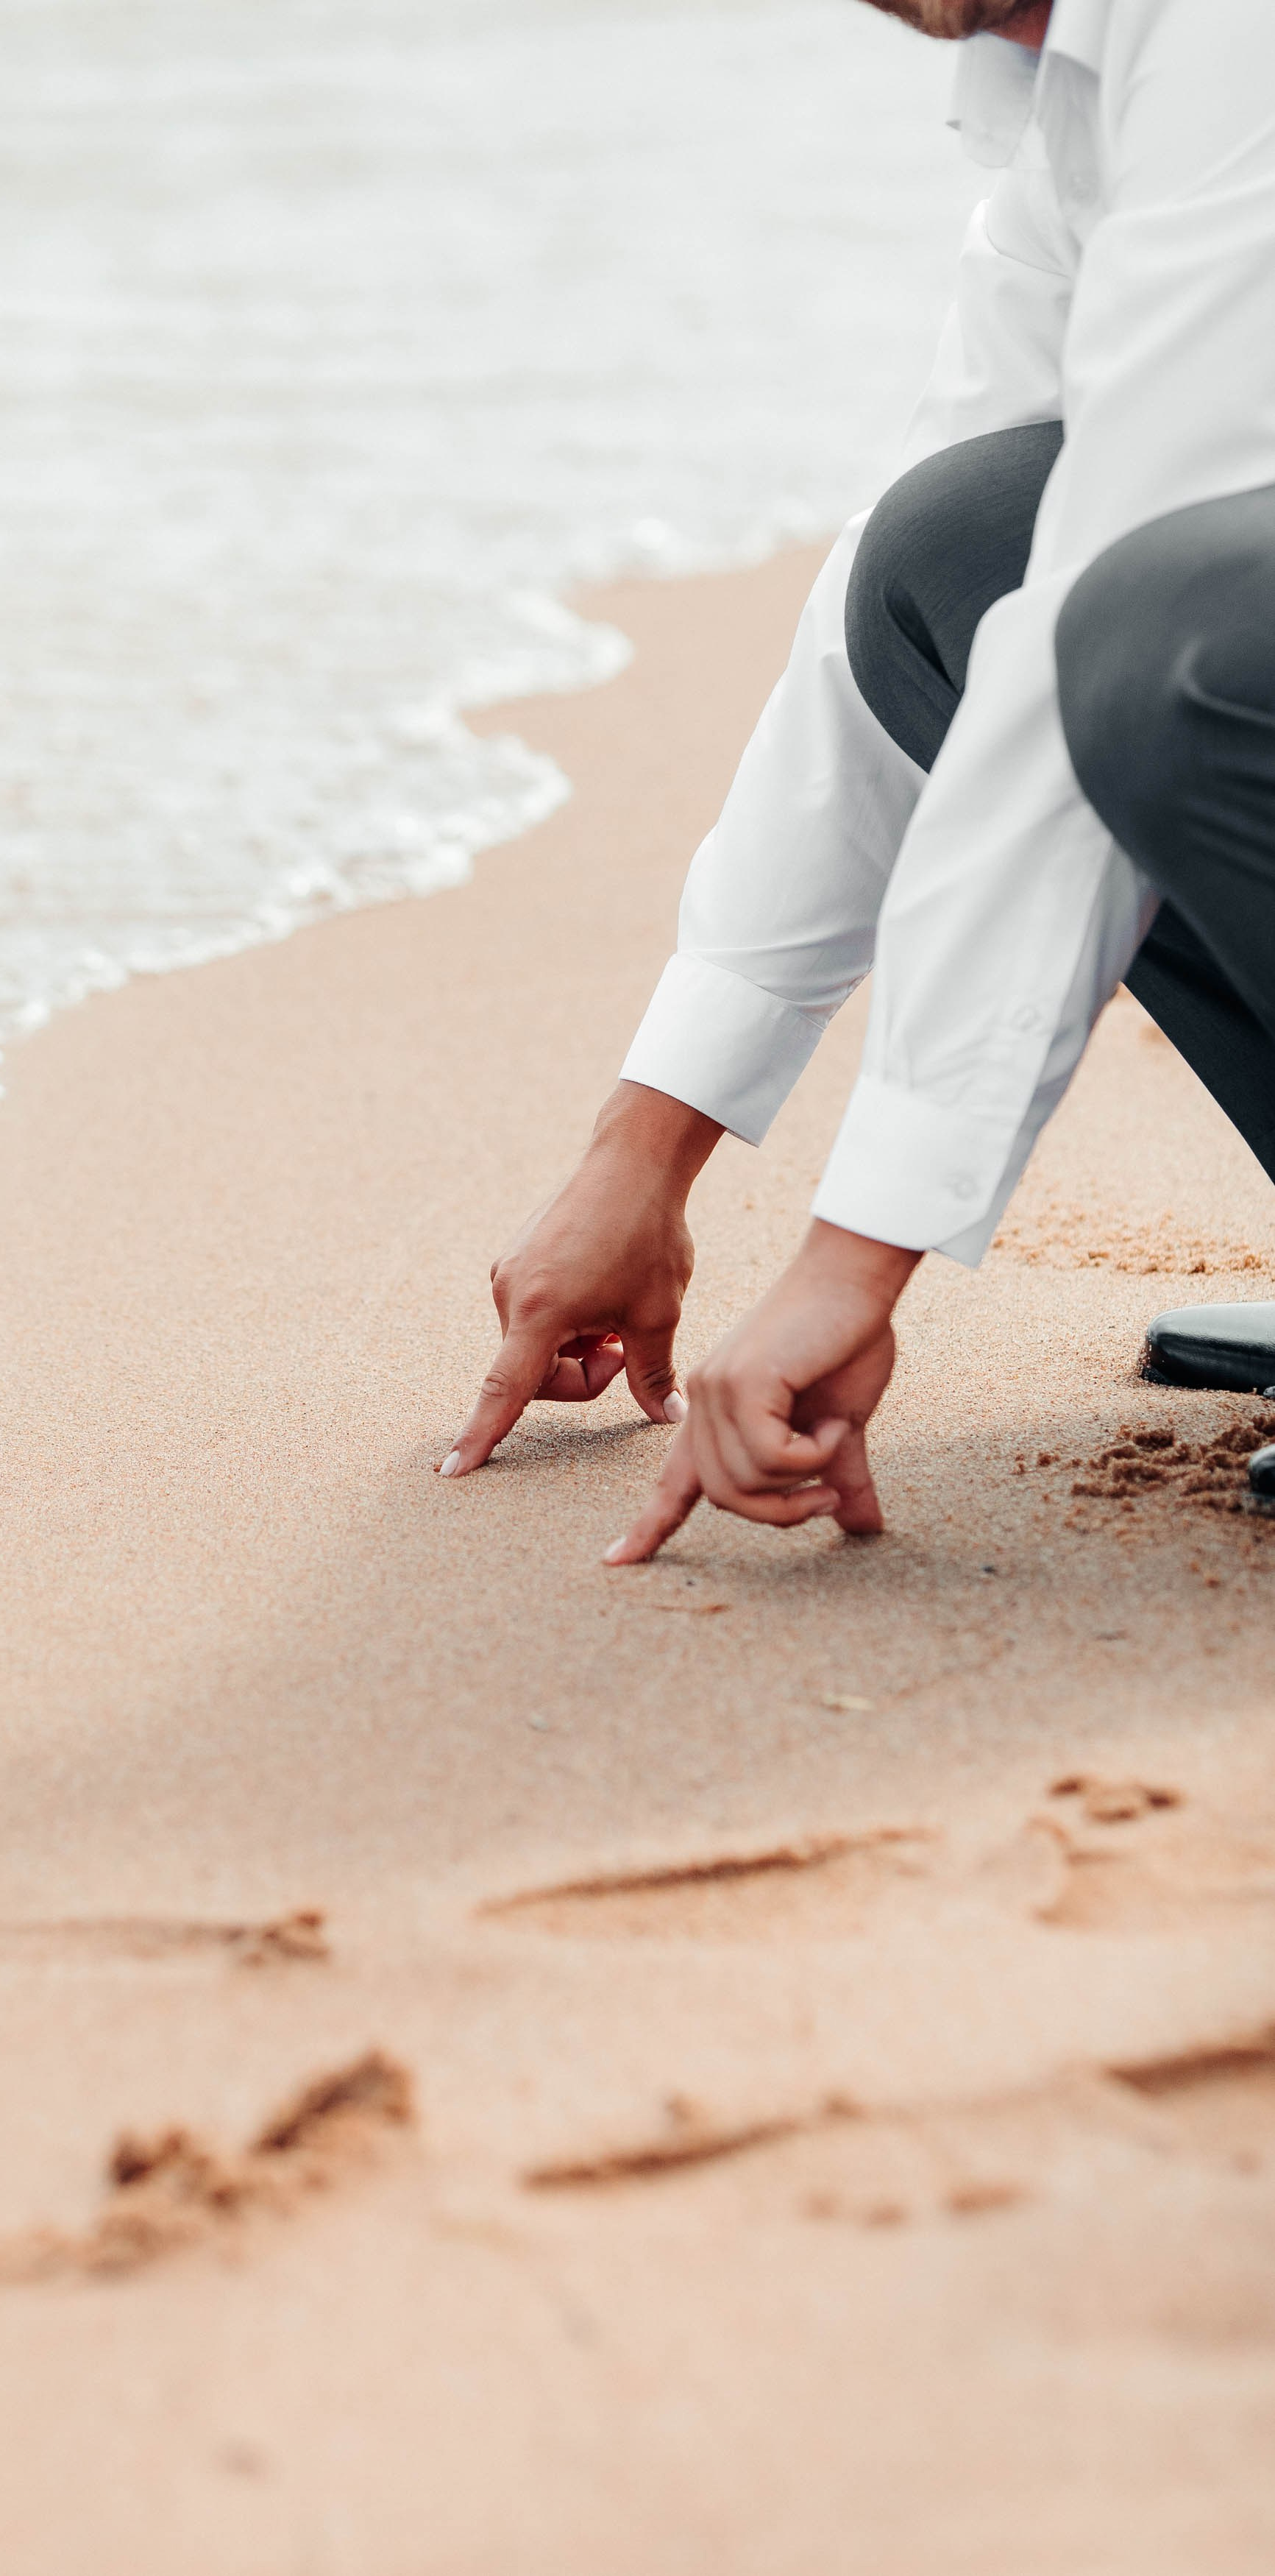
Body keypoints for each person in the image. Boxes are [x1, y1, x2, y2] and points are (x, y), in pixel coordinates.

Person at [438, 0, 1275, 1557]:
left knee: (1171, 649)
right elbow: (917, 606)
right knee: (947, 553)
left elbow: (1104, 605)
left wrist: (852, 1258)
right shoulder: (1068, 91)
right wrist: (648, 1146)